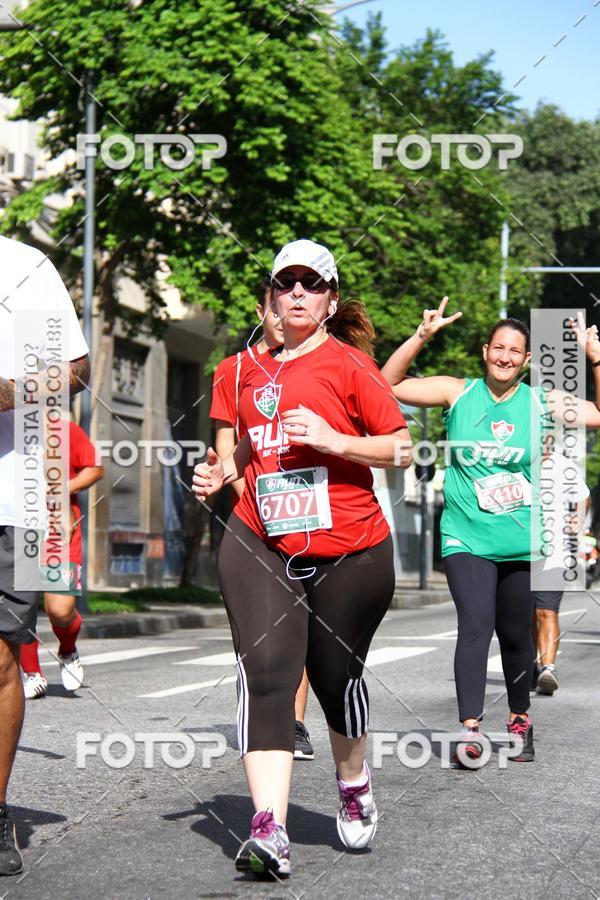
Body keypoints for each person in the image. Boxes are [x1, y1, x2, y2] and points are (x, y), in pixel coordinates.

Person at [193, 239, 411, 877]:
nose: (296, 292)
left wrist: (333, 439)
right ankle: (269, 830)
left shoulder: (352, 368)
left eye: (310, 284)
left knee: (337, 678)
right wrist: (220, 473)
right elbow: (240, 452)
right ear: (267, 298)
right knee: (266, 674)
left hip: (351, 548)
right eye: (285, 282)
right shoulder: (235, 371)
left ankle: (352, 780)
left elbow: (400, 450)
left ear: (329, 300)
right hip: (258, 536)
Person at [382, 300, 600, 767]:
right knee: (475, 625)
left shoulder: (542, 402)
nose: (504, 356)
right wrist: (422, 335)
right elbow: (387, 384)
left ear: (526, 361)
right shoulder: (457, 393)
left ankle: (519, 718)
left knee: (516, 635)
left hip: (521, 540)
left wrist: (594, 359)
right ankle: (469, 729)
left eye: (514, 351)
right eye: (497, 347)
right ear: (485, 352)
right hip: (466, 537)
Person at [0, 234, 89, 876]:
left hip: (18, 494)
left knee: (2, 658)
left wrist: (7, 394)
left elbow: (76, 369)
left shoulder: (22, 267)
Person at [209, 277, 314, 761]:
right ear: (262, 310)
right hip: (252, 511)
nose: (281, 316)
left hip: (308, 512)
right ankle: (258, 702)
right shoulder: (232, 371)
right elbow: (228, 440)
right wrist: (243, 491)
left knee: (304, 619)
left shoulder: (313, 363)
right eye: (273, 309)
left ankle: (293, 722)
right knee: (256, 625)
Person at [20, 418, 104, 698]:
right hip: (16, 529)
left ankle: (68, 650)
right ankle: (32, 673)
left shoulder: (62, 429)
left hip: (58, 530)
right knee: (20, 603)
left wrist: (62, 488)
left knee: (60, 610)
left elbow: (95, 468)